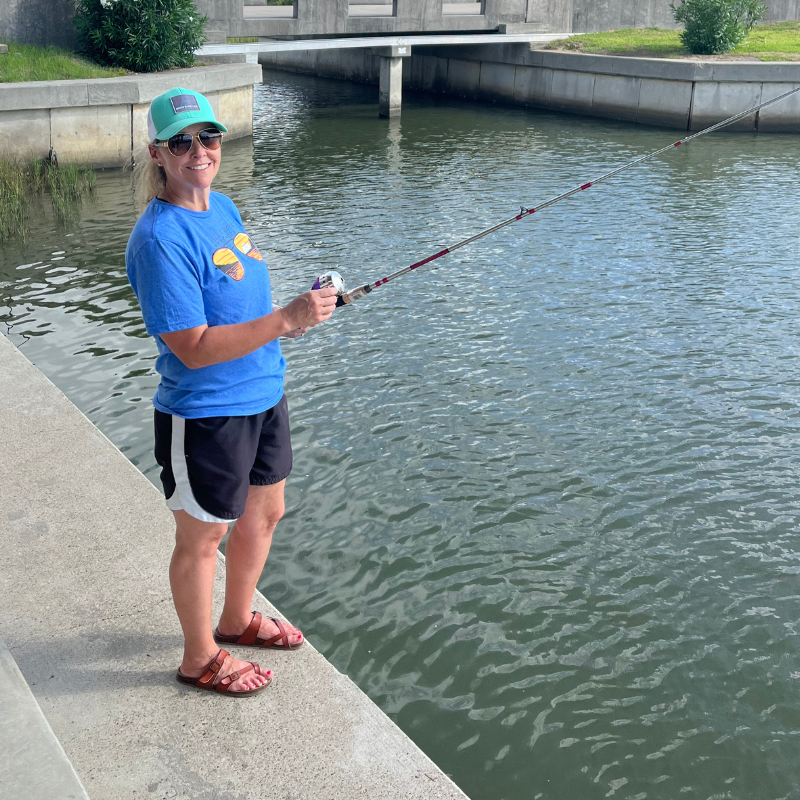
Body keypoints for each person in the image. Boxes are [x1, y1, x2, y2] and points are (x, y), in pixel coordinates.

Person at [126, 87, 338, 697]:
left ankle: (237, 619)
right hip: (206, 415)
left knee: (265, 512)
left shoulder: (222, 207)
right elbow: (191, 346)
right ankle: (199, 657)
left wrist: (291, 318)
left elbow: (238, 298)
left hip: (263, 392)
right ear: (157, 154)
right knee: (202, 537)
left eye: (208, 137)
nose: (199, 151)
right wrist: (284, 320)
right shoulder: (160, 238)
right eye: (181, 142)